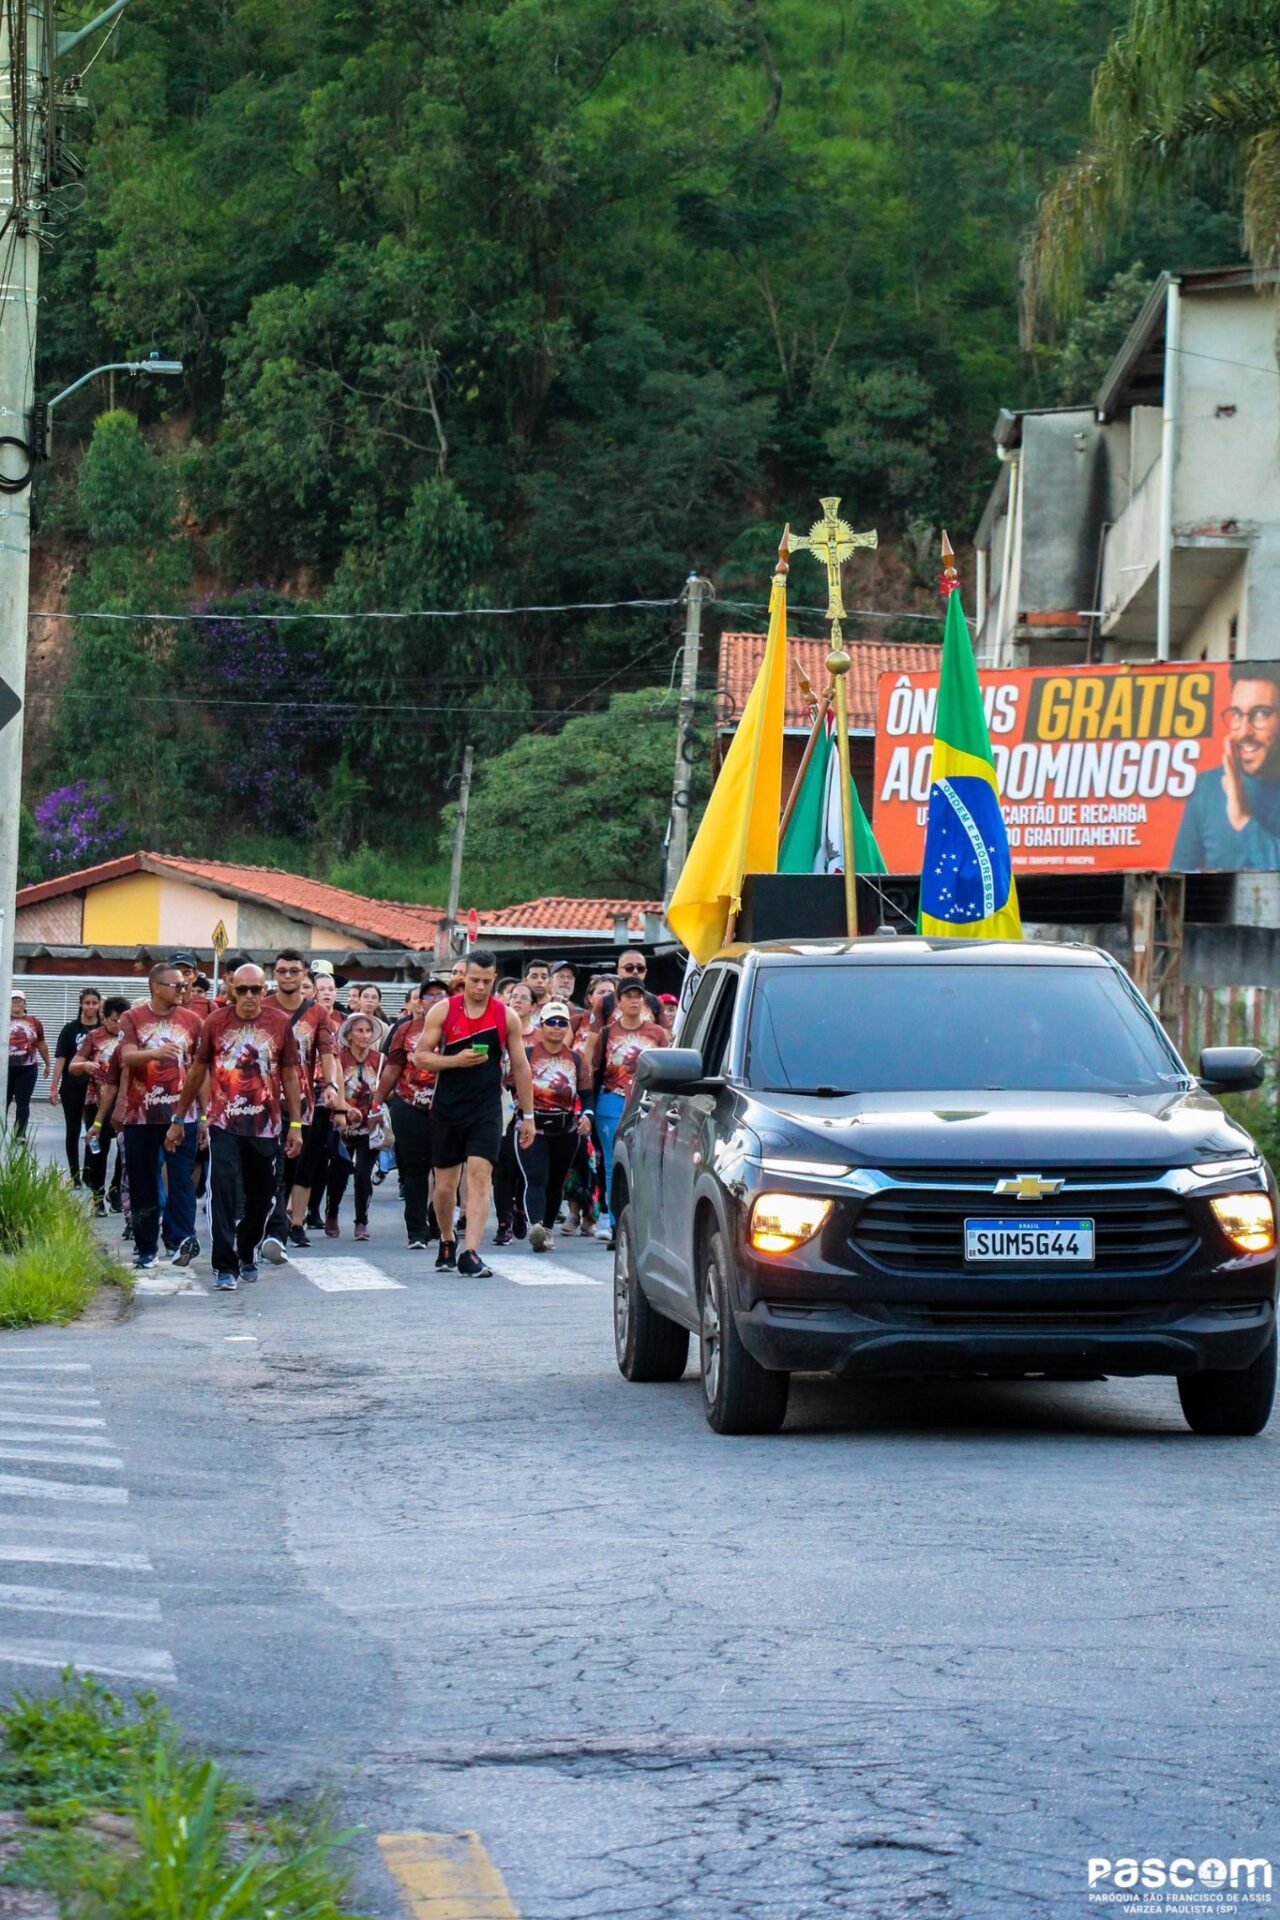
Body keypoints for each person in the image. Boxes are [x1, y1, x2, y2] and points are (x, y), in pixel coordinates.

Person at [171, 964, 303, 1291]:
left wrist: (296, 1124)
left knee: (262, 1198)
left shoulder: (279, 1023)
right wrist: (180, 1118)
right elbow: (197, 1070)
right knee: (223, 1193)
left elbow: (289, 1074)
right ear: (232, 989)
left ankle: (246, 1249)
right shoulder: (215, 1022)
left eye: (255, 990)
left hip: (265, 1126)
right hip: (224, 1124)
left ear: (264, 990)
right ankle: (224, 1265)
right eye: (241, 989)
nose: (248, 996)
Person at [413, 949, 535, 1277]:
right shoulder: (444, 1010)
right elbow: (420, 1057)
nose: (480, 987)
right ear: (463, 977)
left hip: (486, 1107)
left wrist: (528, 1116)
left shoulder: (505, 1016)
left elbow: (521, 1067)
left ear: (495, 979)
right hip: (447, 1107)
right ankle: (447, 1238)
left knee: (480, 1176)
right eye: (474, 980)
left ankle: (470, 1252)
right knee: (445, 1186)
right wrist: (455, 1060)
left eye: (486, 981)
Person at [116, 962, 206, 1271]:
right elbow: (127, 1057)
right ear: (156, 987)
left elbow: (200, 1071)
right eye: (177, 985)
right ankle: (146, 1248)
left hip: (182, 1117)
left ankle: (180, 1240)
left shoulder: (193, 1021)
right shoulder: (132, 1018)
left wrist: (204, 1116)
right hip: (140, 1117)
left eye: (185, 985)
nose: (183, 990)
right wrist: (154, 1054)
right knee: (143, 1183)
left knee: (182, 1181)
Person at [258, 949, 338, 1258]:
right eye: (282, 971)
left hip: (300, 1103)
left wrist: (330, 1084)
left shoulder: (317, 1013)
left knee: (292, 1169)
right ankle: (273, 1231)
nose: (288, 976)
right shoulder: (262, 1007)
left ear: (305, 975)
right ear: (274, 974)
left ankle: (282, 1225)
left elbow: (328, 1052)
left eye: (294, 971)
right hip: (262, 1102)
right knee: (269, 1170)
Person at [583, 975, 668, 1243]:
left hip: (648, 1104)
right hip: (612, 1100)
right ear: (618, 1001)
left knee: (646, 1161)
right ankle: (614, 1222)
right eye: (628, 996)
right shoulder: (607, 1033)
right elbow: (593, 1068)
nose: (633, 1000)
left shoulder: (658, 1034)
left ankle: (646, 1222)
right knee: (612, 1161)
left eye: (638, 996)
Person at [1172, 664, 1280, 869]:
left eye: (1260, 714)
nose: (1244, 731)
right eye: (1237, 714)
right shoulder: (1206, 787)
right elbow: (1178, 877)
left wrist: (1243, 821)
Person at [515, 1000, 592, 1253]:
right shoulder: (527, 1055)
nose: (557, 1027)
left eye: (562, 1023)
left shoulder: (576, 1059)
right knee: (537, 1177)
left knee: (556, 1181)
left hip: (565, 1129)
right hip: (532, 1127)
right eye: (551, 1022)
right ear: (542, 1025)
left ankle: (547, 1229)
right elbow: (509, 1084)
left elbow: (586, 1093)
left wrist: (587, 1115)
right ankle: (536, 1226)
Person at [376, 990, 439, 1249]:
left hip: (447, 1107)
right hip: (409, 1104)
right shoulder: (405, 1029)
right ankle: (417, 1230)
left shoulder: (457, 1027)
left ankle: (439, 1220)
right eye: (429, 996)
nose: (435, 1000)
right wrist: (376, 1103)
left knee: (446, 1170)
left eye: (441, 995)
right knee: (416, 1170)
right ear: (420, 1002)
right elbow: (392, 1068)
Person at [325, 1014, 385, 1241]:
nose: (364, 1035)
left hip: (370, 1126)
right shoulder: (339, 1059)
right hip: (342, 1126)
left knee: (363, 1175)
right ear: (349, 1034)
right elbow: (330, 1089)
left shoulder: (380, 1060)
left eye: (368, 1031)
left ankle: (361, 1221)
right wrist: (344, 1108)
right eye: (359, 1031)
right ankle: (332, 1213)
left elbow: (390, 1088)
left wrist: (380, 1096)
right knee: (338, 1173)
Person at [75, 995, 128, 1212]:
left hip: (125, 1102)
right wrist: (86, 1065)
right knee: (99, 1150)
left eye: (124, 1020)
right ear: (104, 1019)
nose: (120, 1025)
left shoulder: (132, 1037)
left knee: (124, 1149)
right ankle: (97, 1196)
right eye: (115, 1020)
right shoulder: (94, 1037)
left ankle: (116, 1191)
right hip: (96, 1101)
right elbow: (74, 1065)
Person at [49, 987, 102, 1183]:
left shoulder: (103, 1029)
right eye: (87, 1003)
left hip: (95, 1087)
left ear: (99, 1005)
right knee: (72, 1129)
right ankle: (75, 1174)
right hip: (72, 1085)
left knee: (93, 1128)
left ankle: (89, 1170)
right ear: (81, 1005)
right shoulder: (70, 1029)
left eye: (94, 1003)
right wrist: (54, 1086)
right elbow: (61, 1058)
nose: (90, 1007)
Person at [6, 990, 48, 1138]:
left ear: (25, 1003)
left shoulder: (34, 1021)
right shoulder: (3, 1019)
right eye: (13, 1000)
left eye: (19, 1000)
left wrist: (47, 1063)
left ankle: (20, 1134)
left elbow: (41, 1043)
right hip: (5, 1069)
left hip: (27, 1069)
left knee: (23, 1103)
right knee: (3, 1102)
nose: (16, 1003)